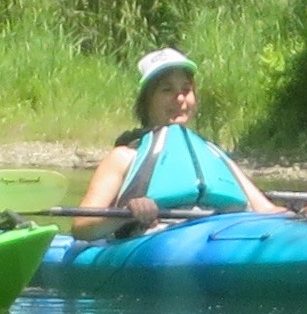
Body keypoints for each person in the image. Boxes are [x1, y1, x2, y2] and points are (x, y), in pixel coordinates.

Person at [71, 49, 286, 231]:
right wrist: (126, 214)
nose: (180, 98)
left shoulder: (213, 154)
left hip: (218, 236)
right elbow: (82, 226)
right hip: (152, 243)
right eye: (167, 90)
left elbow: (267, 211)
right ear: (147, 101)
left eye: (186, 90)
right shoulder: (124, 157)